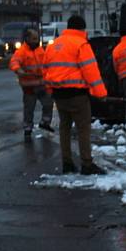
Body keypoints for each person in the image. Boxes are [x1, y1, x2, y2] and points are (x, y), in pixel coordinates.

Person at [43, 15, 107, 175]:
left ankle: (67, 163)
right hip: (77, 94)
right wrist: (101, 93)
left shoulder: (53, 45)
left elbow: (45, 70)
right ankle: (86, 164)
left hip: (59, 94)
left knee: (64, 128)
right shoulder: (81, 44)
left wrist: (51, 90)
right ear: (82, 29)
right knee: (83, 129)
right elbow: (90, 70)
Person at [9, 28, 53, 141]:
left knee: (48, 104)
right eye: (34, 39)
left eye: (37, 38)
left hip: (42, 84)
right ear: (27, 39)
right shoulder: (21, 52)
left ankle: (45, 122)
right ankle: (28, 128)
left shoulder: (40, 50)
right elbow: (14, 62)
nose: (36, 40)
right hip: (29, 86)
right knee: (29, 108)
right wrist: (18, 70)